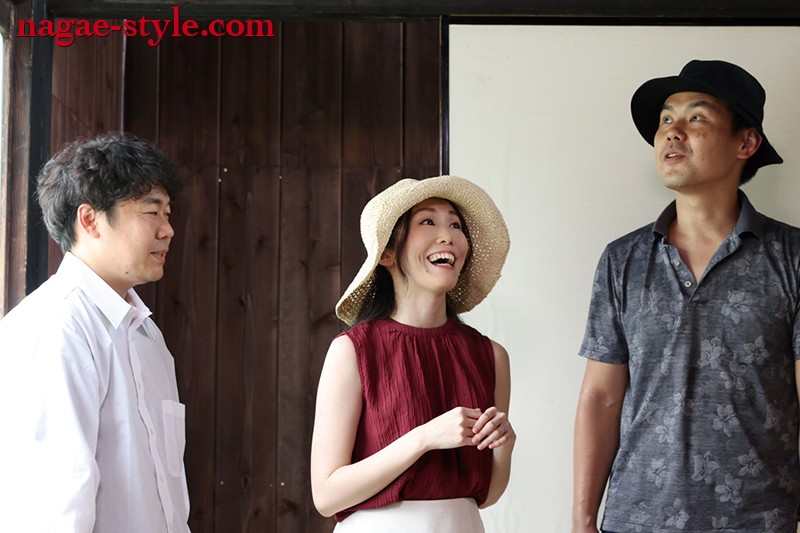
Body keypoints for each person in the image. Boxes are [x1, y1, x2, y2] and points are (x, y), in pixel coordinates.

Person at [573, 59, 800, 533]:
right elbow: (601, 398)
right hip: (636, 519)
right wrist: (582, 520)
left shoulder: (792, 257)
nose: (672, 132)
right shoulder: (623, 260)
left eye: (696, 117)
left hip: (759, 521)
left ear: (746, 142)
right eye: (665, 119)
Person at [0, 133, 190, 532]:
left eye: (168, 213)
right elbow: (55, 510)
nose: (168, 229)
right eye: (151, 211)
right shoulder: (54, 327)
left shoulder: (148, 335)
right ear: (90, 220)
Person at [310, 176, 514, 532]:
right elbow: (326, 495)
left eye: (455, 225)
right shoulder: (352, 351)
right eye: (427, 221)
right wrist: (424, 438)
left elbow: (487, 495)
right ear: (387, 254)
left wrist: (505, 445)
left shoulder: (491, 356)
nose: (448, 235)